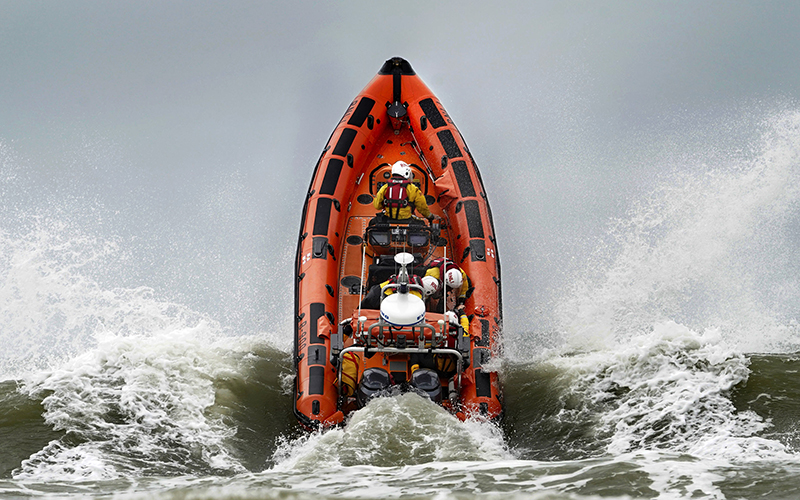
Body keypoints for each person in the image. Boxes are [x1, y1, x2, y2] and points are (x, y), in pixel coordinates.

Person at [424, 257, 471, 333]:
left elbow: (464, 287)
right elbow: (426, 286)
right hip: (433, 285)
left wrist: (461, 300)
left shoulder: (460, 274)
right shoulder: (432, 273)